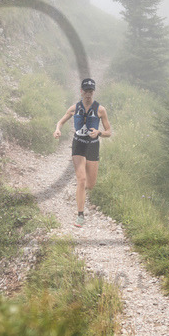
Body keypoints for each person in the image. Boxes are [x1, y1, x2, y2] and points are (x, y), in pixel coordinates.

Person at [54, 78, 112, 227]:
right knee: (81, 179)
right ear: (81, 91)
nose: (88, 94)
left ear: (94, 92)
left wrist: (99, 133)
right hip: (78, 145)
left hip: (93, 146)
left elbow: (109, 132)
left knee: (90, 184)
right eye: (86, 91)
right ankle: (80, 215)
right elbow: (60, 121)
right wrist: (58, 130)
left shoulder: (100, 110)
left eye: (90, 91)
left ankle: (81, 191)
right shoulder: (74, 108)